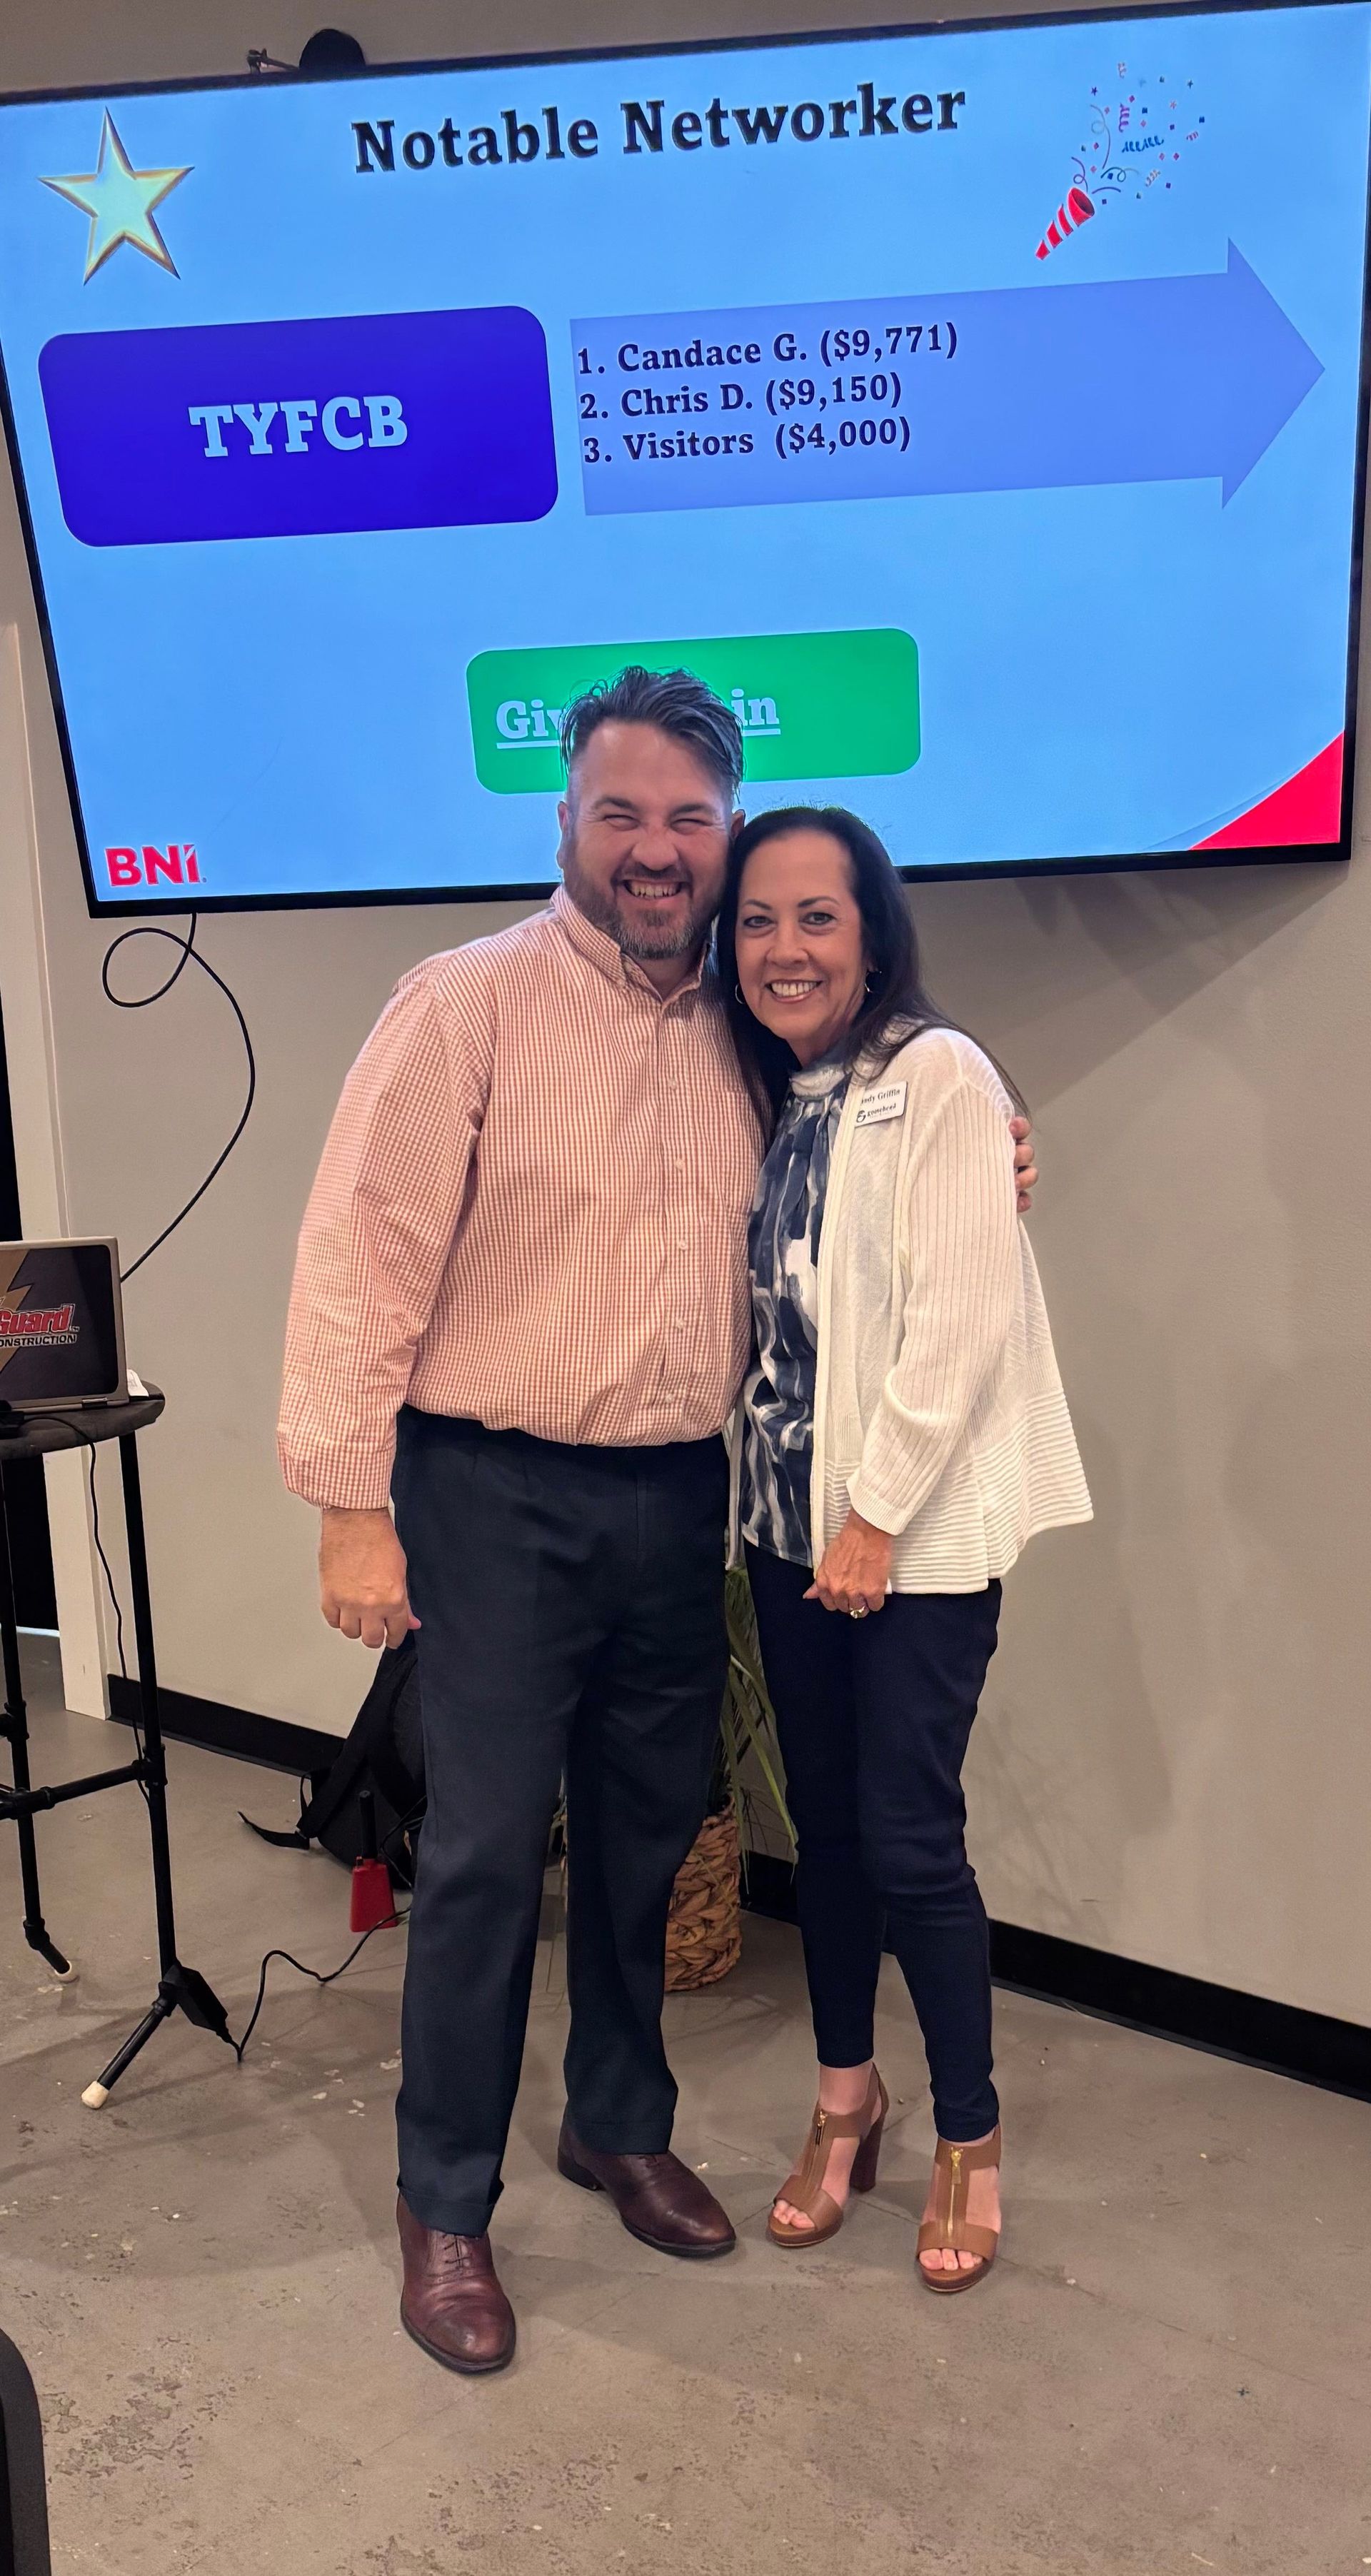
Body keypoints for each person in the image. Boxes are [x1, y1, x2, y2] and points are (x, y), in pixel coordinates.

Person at [278, 671, 1038, 2374]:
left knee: (643, 1831)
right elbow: (359, 1260)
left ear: (724, 832)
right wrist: (349, 1506)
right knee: (481, 1855)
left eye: (690, 818)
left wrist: (997, 1145)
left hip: (680, 1494)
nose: (655, 849)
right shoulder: (460, 1005)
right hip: (489, 1490)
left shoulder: (744, 1032)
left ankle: (618, 2123)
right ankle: (447, 2200)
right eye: (621, 813)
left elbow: (876, 1153)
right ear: (566, 819)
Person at [716, 804, 1090, 2293]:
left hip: (907, 1541)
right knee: (826, 1835)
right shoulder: (772, 1093)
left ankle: (972, 2139)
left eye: (817, 914)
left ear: (873, 931)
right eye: (758, 919)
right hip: (782, 1528)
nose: (784, 946)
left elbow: (960, 1319)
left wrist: (874, 1515)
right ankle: (845, 2099)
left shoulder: (938, 1073)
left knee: (913, 1838)